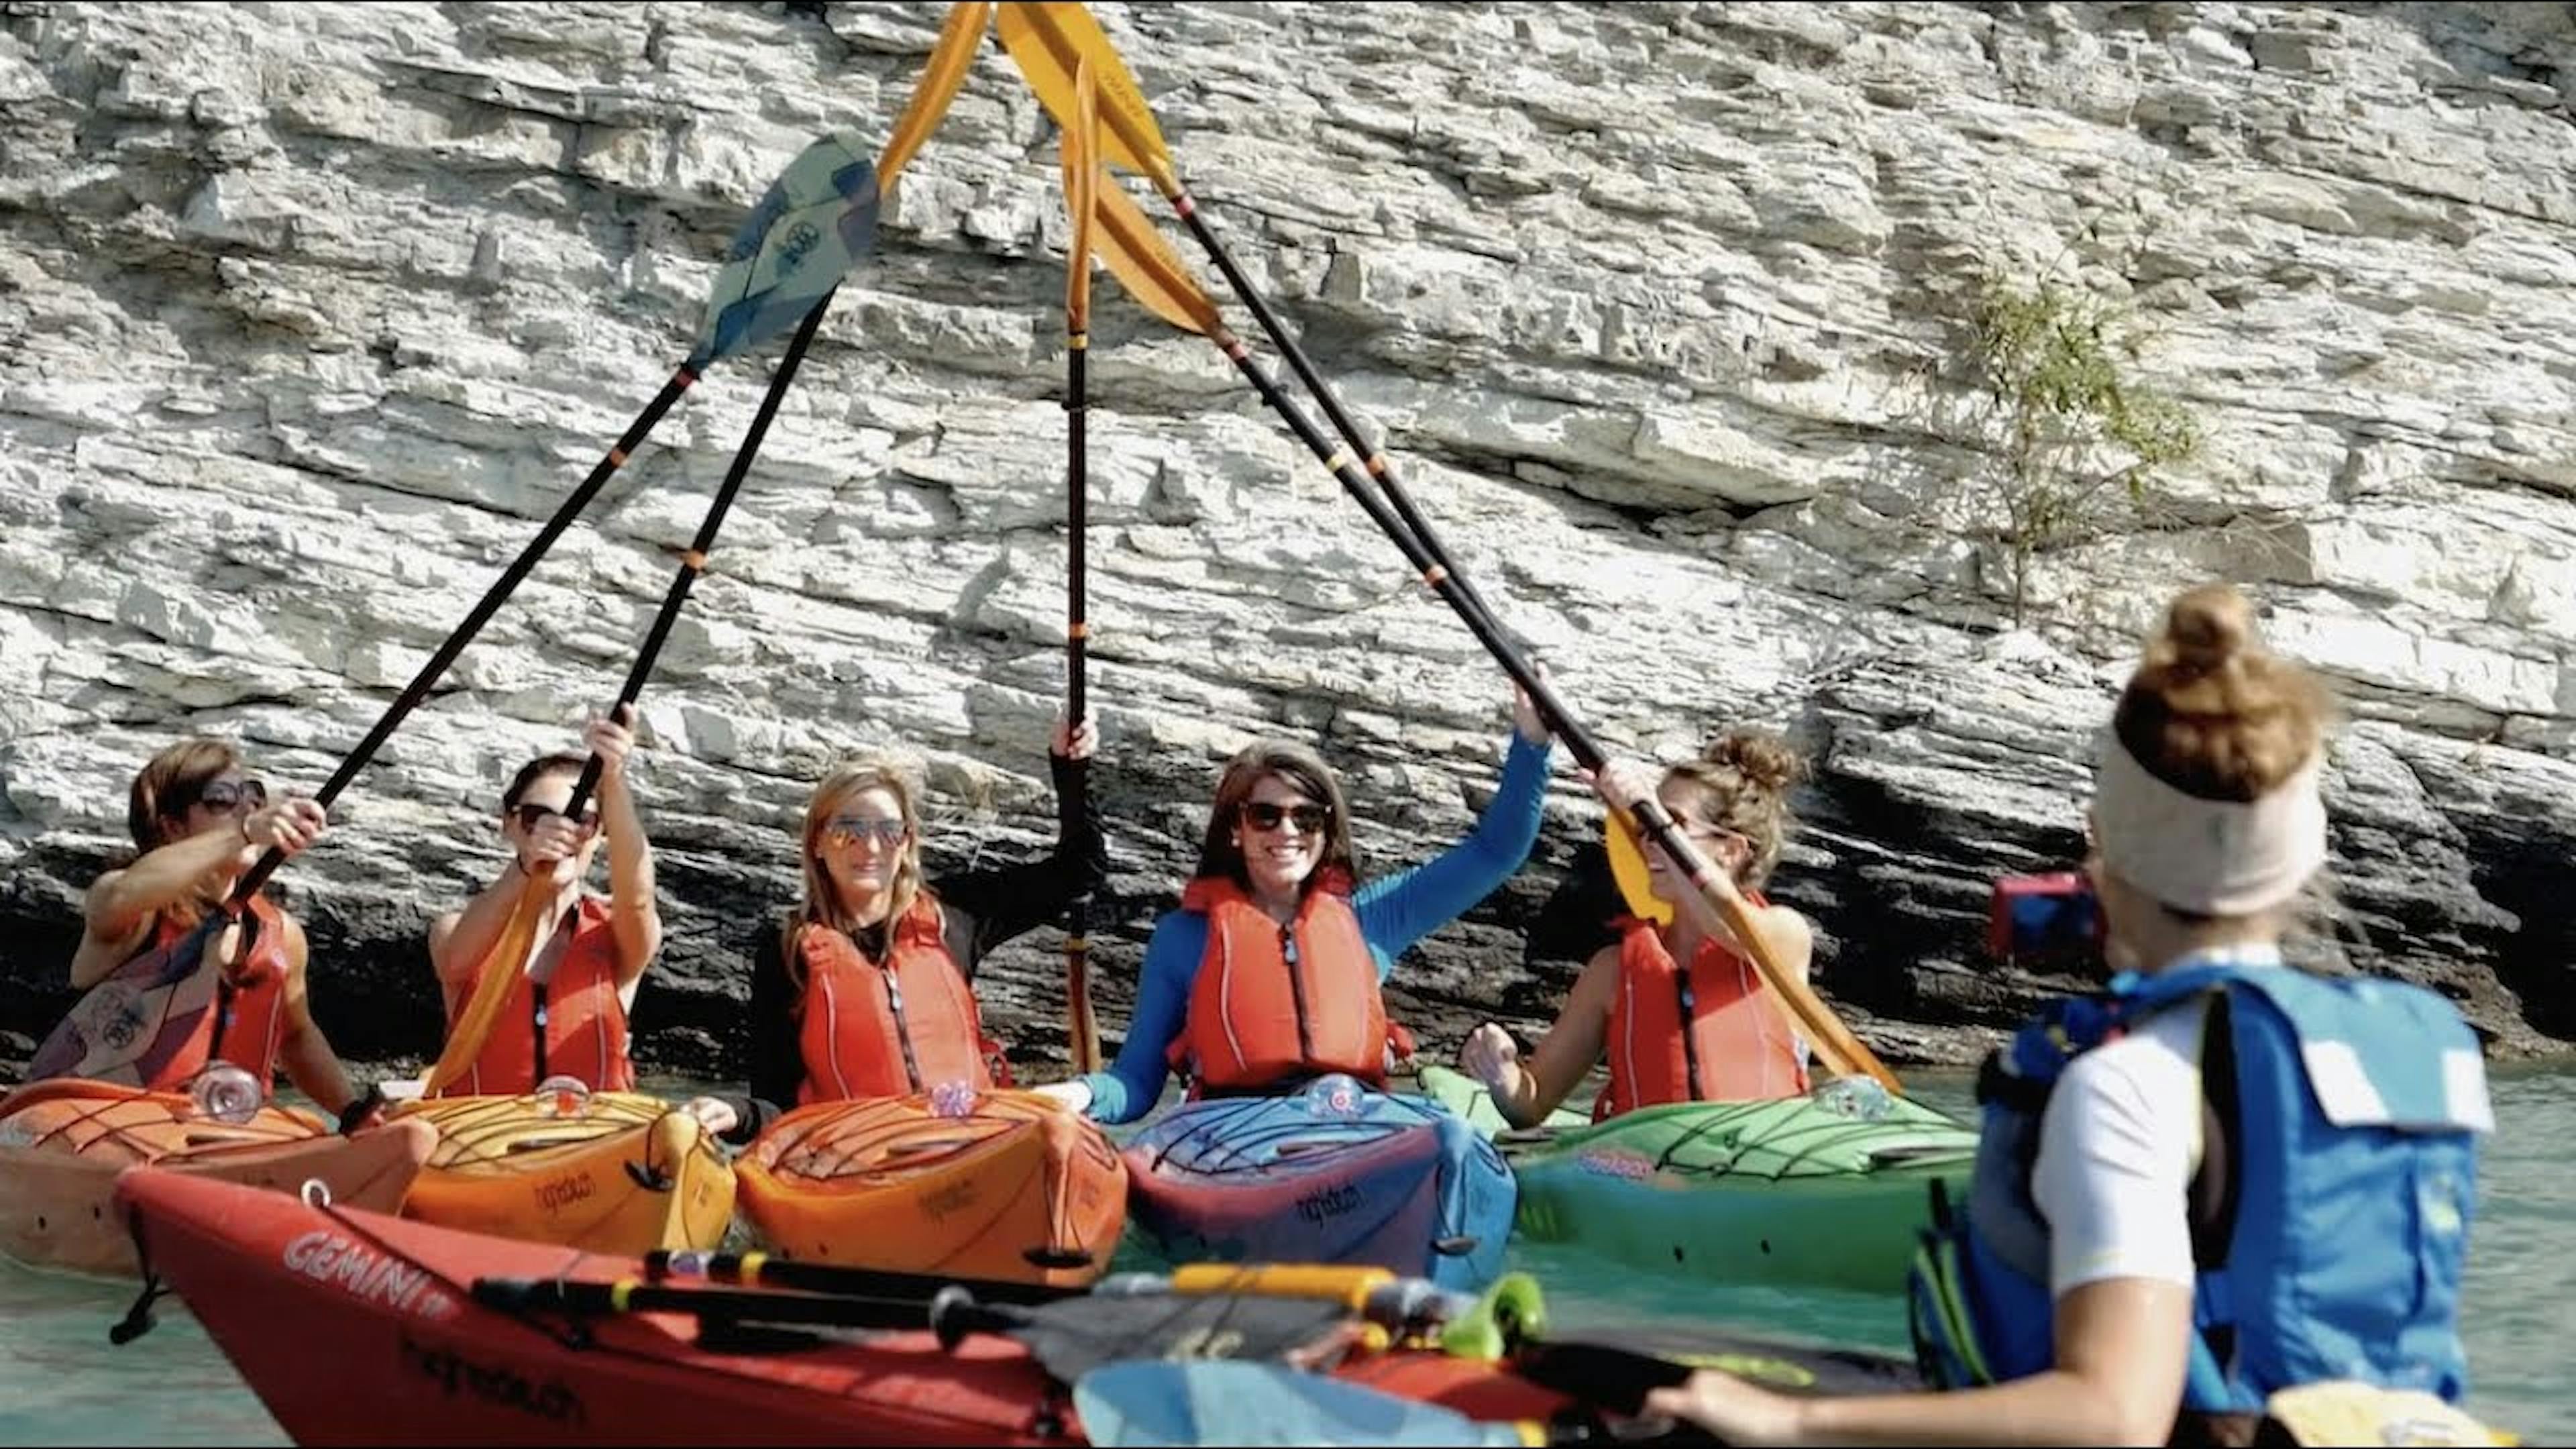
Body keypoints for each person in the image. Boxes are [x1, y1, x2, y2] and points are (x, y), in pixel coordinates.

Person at [1640, 583, 2495, 1446]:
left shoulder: (2127, 1083)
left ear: (2102, 849)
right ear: (2301, 861)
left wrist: (1787, 1420)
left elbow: (2116, 1416)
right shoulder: (2428, 1050)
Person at [1048, 683, 1553, 1124]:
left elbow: (1496, 851)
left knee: (1447, 1136)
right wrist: (1073, 1095)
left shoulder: (1370, 919)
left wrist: (1532, 742)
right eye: (1266, 816)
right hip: (1235, 1143)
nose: (1287, 832)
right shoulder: (1184, 939)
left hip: (1350, 1129)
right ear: (1235, 830)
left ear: (1325, 830)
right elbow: (1135, 1084)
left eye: (1306, 818)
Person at [684, 714, 1104, 1143]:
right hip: (860, 1162)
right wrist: (735, 1112)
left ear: (906, 844)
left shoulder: (955, 914)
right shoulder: (787, 950)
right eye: (849, 831)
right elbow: (777, 1105)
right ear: (818, 843)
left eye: (889, 831)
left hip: (971, 1146)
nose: (870, 847)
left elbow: (1078, 875)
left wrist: (1071, 770)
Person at [1459, 733, 1814, 1128]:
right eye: (1646, 827)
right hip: (1648, 1172)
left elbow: (1728, 920)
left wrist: (1644, 808)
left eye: (1671, 824)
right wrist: (1502, 1073)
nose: (1649, 842)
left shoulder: (1785, 935)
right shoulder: (1611, 972)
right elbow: (1531, 1106)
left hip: (1767, 1163)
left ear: (1730, 850)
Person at [58, 737, 363, 1118]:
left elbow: (297, 1037)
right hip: (109, 1123)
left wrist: (355, 1115)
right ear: (172, 827)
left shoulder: (282, 934)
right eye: (221, 800)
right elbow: (123, 894)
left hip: (223, 1131)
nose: (247, 807)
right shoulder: (128, 909)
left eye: (253, 795)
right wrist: (246, 831)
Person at [423, 709, 661, 1097]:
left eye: (581, 821)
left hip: (589, 1141)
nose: (561, 833)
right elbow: (456, 960)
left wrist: (614, 781)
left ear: (599, 834)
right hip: (484, 1139)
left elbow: (637, 895)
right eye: (538, 817)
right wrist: (525, 867)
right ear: (509, 824)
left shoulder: (617, 938)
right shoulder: (454, 931)